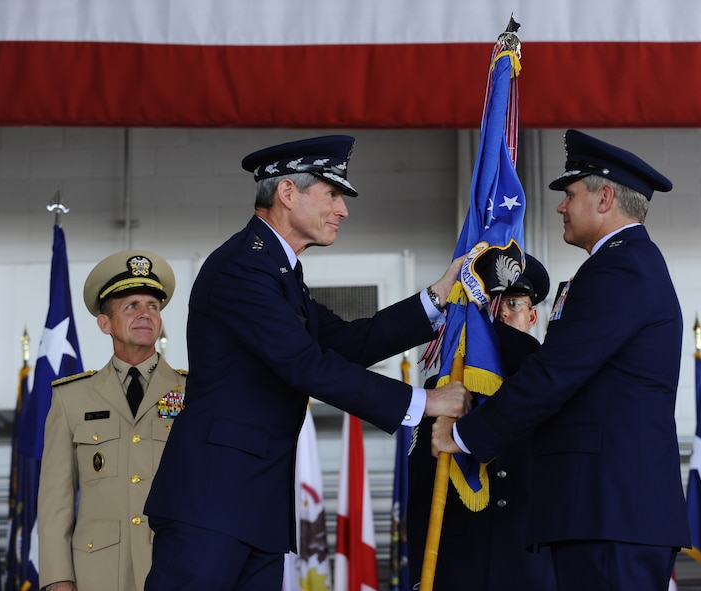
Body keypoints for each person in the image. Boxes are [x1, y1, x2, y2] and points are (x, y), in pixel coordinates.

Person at [143, 135, 470, 591]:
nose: (343, 210)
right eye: (332, 193)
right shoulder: (243, 267)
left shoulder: (279, 271)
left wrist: (436, 298)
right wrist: (424, 401)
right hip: (212, 505)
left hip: (252, 505)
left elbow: (345, 343)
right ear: (287, 193)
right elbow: (305, 365)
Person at [432, 129, 691, 591]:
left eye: (570, 194)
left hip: (610, 510)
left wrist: (467, 435)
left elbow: (556, 373)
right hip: (605, 509)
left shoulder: (621, 268)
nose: (560, 206)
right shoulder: (622, 264)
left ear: (605, 197)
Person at [407, 250, 557, 590]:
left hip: (529, 562)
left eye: (514, 303)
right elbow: (421, 490)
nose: (502, 311)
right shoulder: (443, 387)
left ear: (532, 317)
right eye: (491, 301)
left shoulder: (548, 384)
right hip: (462, 562)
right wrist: (420, 573)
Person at [38, 250, 187, 591]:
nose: (145, 314)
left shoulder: (193, 392)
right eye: (131, 306)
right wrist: (58, 578)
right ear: (105, 323)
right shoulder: (71, 398)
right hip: (97, 573)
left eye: (152, 306)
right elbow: (55, 501)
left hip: (175, 567)